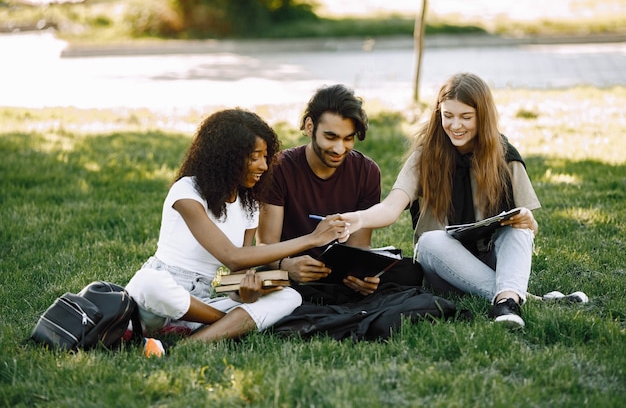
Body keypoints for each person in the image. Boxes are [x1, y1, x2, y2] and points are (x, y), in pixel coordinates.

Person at [125, 109, 348, 356]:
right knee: (149, 282)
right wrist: (312, 238)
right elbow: (232, 256)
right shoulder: (186, 191)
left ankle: (187, 344)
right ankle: (224, 325)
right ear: (227, 158)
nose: (264, 165)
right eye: (255, 157)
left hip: (200, 302)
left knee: (290, 297)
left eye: (266, 156)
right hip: (155, 302)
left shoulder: (248, 206)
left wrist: (247, 292)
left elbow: (236, 276)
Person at [340, 72, 541, 328]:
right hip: (440, 264)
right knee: (430, 240)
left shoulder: (505, 157)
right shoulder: (426, 156)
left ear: (484, 117)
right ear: (438, 114)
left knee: (518, 229)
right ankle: (516, 296)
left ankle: (506, 301)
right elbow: (391, 208)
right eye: (448, 116)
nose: (456, 125)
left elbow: (530, 233)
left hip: (488, 256)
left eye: (466, 117)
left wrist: (528, 220)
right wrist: (356, 219)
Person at [257, 84, 423, 305]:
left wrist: (363, 276)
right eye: (330, 137)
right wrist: (286, 265)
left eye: (348, 138)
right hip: (291, 271)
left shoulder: (366, 171)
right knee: (264, 280)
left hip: (337, 275)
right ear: (309, 126)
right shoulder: (279, 168)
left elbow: (359, 246)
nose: (339, 148)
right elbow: (265, 247)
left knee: (410, 273)